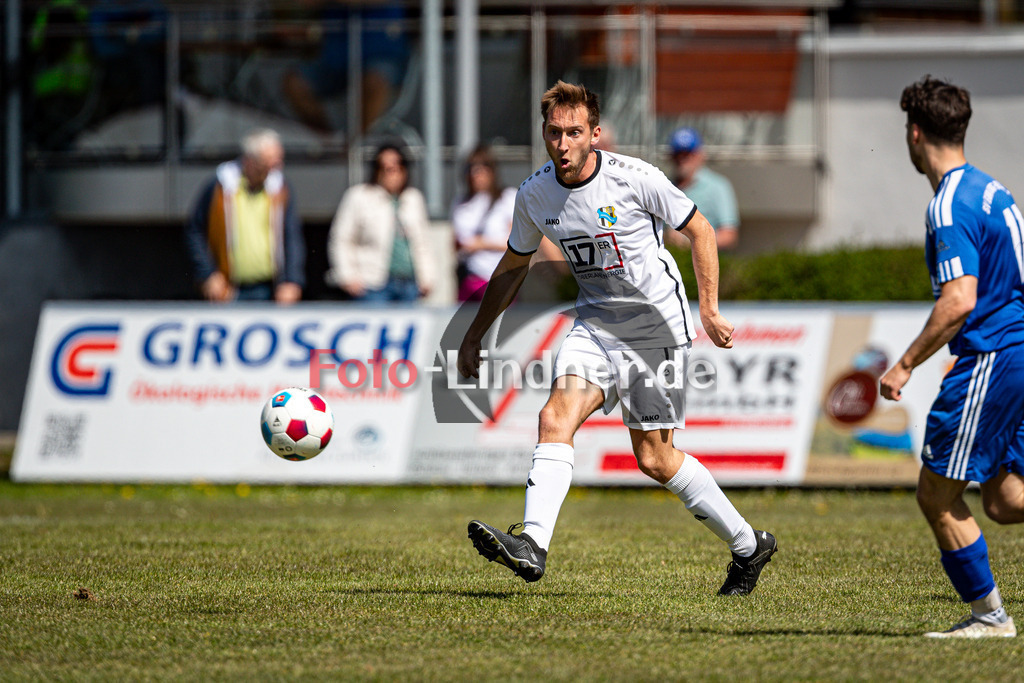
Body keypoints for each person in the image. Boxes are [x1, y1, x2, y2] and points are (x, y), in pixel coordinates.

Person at [458, 80, 777, 594]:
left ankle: (748, 544)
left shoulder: (635, 178)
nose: (563, 143)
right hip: (596, 322)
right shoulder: (535, 193)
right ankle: (533, 545)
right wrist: (476, 332)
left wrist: (710, 310)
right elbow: (515, 263)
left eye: (574, 132)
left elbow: (702, 231)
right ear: (544, 133)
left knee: (654, 457)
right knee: (553, 416)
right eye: (554, 132)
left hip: (655, 325)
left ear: (595, 134)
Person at [880, 75, 1024, 638]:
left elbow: (959, 299)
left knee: (937, 494)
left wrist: (907, 362)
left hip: (993, 355)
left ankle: (990, 618)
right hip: (1017, 353)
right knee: (1006, 498)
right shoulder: (995, 191)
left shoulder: (949, 206)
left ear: (915, 133)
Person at [184, 128, 304, 304]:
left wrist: (292, 280)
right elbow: (194, 231)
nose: (275, 169)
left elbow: (292, 236)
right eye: (268, 164)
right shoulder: (220, 187)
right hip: (228, 291)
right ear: (250, 161)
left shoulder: (280, 188)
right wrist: (208, 273)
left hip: (269, 290)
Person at [327, 143, 434, 303]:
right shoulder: (359, 196)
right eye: (384, 167)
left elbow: (423, 242)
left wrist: (428, 277)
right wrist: (347, 276)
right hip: (372, 285)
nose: (391, 173)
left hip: (409, 284)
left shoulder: (413, 198)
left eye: (396, 166)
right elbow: (341, 239)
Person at [450, 144, 517, 302]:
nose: (476, 174)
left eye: (482, 167)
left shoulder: (507, 198)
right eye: (471, 168)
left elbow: (516, 244)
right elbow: (454, 243)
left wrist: (481, 244)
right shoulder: (460, 203)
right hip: (470, 279)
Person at [663, 127, 740, 251]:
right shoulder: (665, 187)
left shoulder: (718, 186)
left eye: (688, 154)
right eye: (678, 154)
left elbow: (729, 235)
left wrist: (692, 242)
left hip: (706, 262)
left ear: (700, 155)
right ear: (671, 156)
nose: (682, 160)